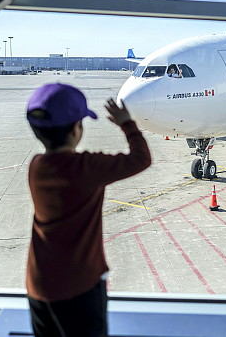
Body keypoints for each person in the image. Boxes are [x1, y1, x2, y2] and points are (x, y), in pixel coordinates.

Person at [25, 83, 152, 337]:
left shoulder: (37, 166)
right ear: (76, 129)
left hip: (39, 283)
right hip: (78, 285)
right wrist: (127, 124)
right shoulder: (86, 168)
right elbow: (141, 159)